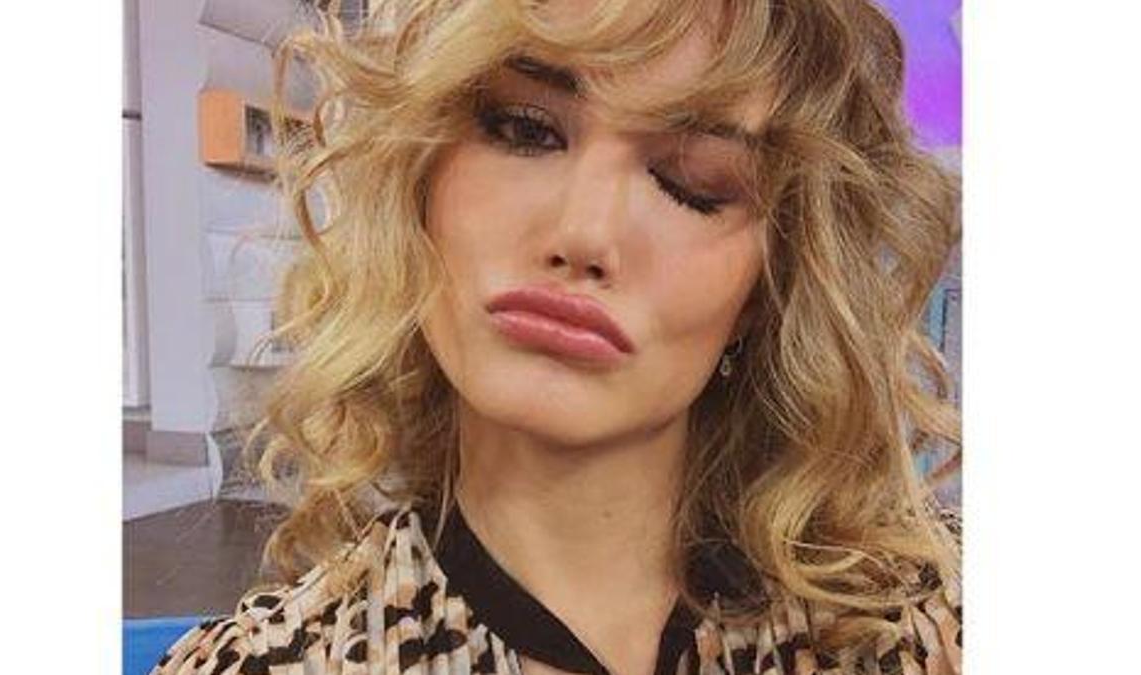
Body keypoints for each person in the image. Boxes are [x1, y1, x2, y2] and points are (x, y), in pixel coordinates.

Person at [153, 0, 961, 673]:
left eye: (691, 182)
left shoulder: (932, 626)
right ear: (420, 182)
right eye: (524, 129)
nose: (583, 233)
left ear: (766, 284)